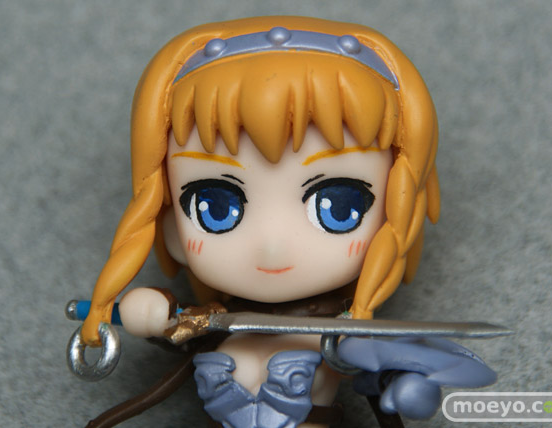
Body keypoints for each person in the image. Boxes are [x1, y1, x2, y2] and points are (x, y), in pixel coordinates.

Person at [75, 16, 492, 428]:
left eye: (337, 207)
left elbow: (376, 368)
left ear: (393, 213)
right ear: (172, 231)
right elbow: (178, 328)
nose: (272, 246)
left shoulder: (343, 339)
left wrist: (399, 381)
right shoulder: (212, 322)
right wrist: (153, 314)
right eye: (215, 207)